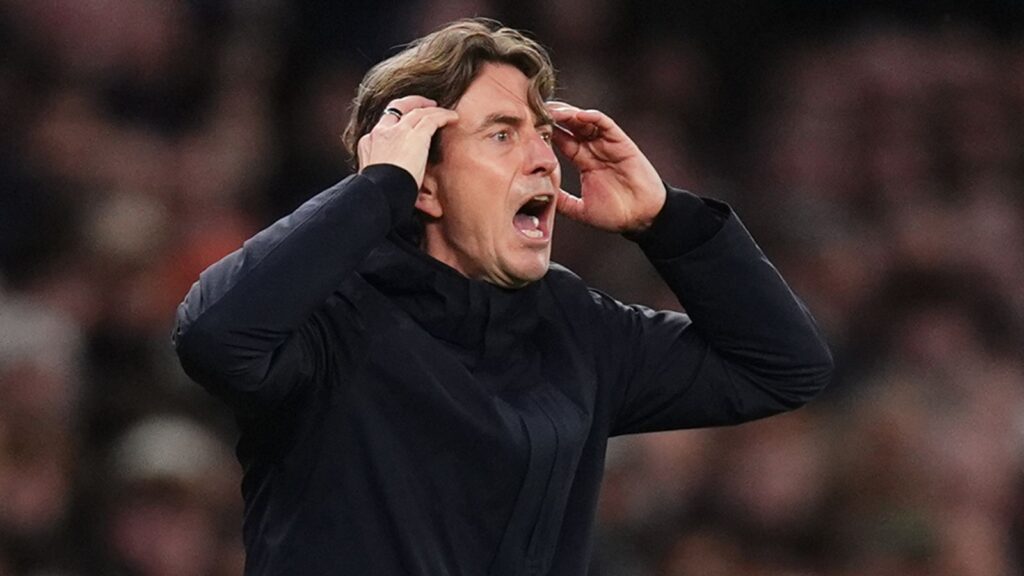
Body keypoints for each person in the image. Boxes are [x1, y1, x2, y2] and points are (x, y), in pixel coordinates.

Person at [173, 18, 832, 576]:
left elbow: (783, 366)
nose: (545, 159)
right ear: (422, 181)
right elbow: (212, 336)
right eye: (502, 134)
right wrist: (375, 191)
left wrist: (665, 221)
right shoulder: (329, 319)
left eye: (542, 133)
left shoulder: (575, 326)